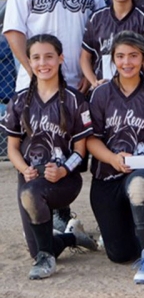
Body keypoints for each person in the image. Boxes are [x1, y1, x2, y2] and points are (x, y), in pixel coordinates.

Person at [1, 34, 97, 280]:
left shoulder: (76, 100)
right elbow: (12, 148)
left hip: (65, 179)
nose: (43, 63)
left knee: (34, 203)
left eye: (49, 57)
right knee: (36, 247)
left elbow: (80, 151)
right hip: (31, 177)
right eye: (36, 58)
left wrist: (64, 169)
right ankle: (70, 237)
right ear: (29, 62)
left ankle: (47, 260)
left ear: (60, 59)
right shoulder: (20, 101)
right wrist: (24, 169)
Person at [87, 31, 144, 284]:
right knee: (119, 254)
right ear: (113, 59)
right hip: (107, 177)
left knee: (139, 186)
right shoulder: (100, 94)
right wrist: (113, 158)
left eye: (133, 56)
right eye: (121, 56)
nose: (127, 62)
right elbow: (90, 139)